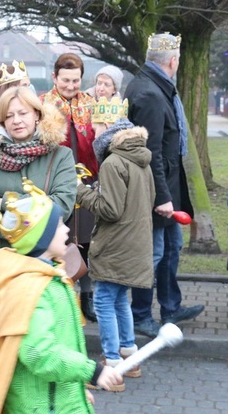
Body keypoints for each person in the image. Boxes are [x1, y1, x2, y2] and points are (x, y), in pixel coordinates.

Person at [0, 180, 122, 414]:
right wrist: (92, 371)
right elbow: (38, 353)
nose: (66, 229)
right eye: (58, 226)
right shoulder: (29, 288)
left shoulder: (50, 277)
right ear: (41, 239)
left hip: (58, 402)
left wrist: (76, 391)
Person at [0, 87, 76, 353]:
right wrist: (29, 223)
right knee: (2, 357)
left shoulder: (60, 156)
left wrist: (3, 203)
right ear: (2, 121)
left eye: (23, 113)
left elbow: (61, 207)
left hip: (43, 269)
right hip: (0, 268)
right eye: (9, 115)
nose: (17, 120)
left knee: (42, 350)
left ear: (37, 115)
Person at [124, 32, 202, 337]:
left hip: (166, 186)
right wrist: (163, 197)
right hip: (156, 191)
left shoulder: (155, 87)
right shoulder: (150, 95)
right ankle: (140, 314)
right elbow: (149, 154)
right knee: (152, 254)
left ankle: (171, 306)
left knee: (172, 247)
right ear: (173, 61)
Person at [75, 103, 155, 390]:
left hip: (116, 244)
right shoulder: (140, 158)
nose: (92, 132)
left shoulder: (112, 162)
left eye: (95, 126)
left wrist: (81, 190)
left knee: (105, 300)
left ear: (106, 128)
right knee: (121, 299)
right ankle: (129, 358)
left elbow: (109, 210)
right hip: (136, 243)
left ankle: (111, 366)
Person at [41, 53, 100, 321]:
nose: (71, 86)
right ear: (55, 77)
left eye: (76, 80)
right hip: (55, 182)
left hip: (87, 182)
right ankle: (62, 296)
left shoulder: (91, 104)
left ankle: (86, 296)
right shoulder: (42, 104)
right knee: (59, 240)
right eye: (66, 80)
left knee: (87, 240)